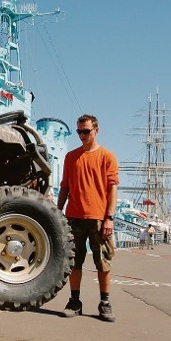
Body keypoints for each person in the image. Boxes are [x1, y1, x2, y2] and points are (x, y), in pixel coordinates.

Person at [57, 114, 119, 322]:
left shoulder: (107, 157)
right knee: (74, 262)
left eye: (86, 131)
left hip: (99, 218)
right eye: (79, 132)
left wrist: (109, 217)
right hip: (74, 217)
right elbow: (64, 186)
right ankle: (75, 302)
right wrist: (58, 212)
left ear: (96, 131)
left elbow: (112, 189)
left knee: (103, 262)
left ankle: (105, 303)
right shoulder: (71, 157)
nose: (82, 135)